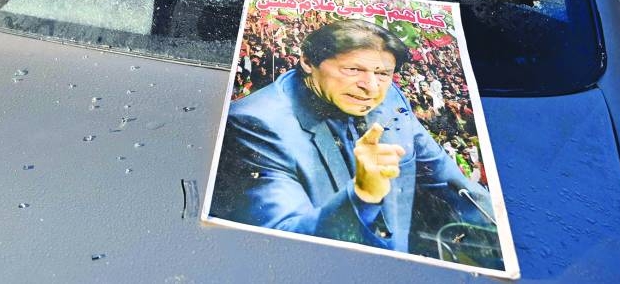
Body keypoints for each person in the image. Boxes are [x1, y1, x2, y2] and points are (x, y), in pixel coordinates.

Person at [210, 19, 495, 255]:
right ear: (308, 61)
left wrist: (502, 230)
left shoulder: (390, 98)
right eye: (353, 70)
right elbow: (279, 243)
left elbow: (450, 180)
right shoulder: (255, 122)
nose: (370, 87)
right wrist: (362, 196)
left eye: (383, 73)